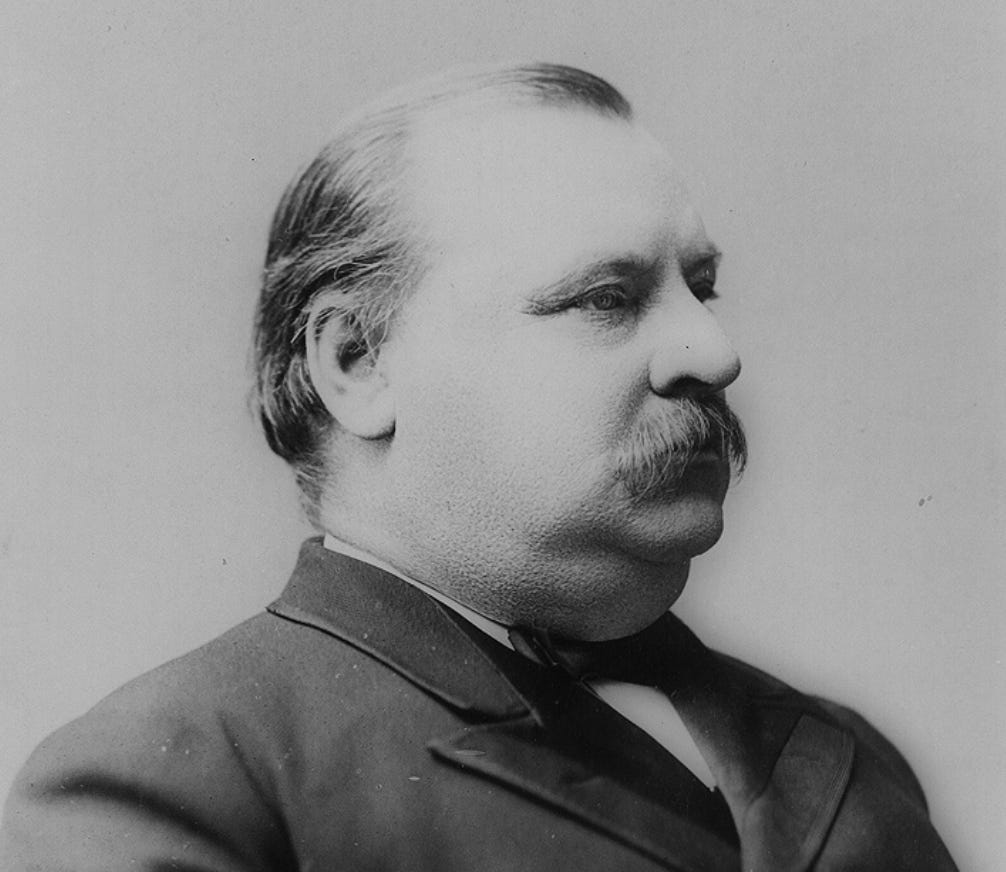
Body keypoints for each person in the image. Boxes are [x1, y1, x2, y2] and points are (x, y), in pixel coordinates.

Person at [1, 62, 957, 871]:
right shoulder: (180, 777)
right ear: (357, 364)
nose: (714, 352)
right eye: (605, 297)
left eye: (700, 289)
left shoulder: (845, 754)